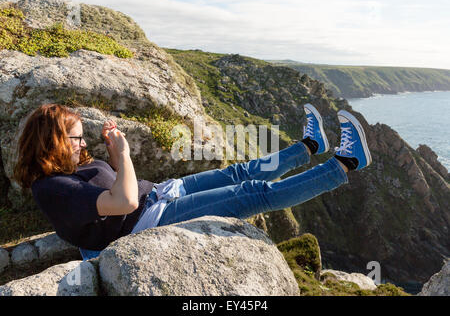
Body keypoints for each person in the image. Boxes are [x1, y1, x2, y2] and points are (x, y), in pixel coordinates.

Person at [13, 103, 372, 260]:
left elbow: (110, 190)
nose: (83, 144)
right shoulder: (52, 188)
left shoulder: (69, 171)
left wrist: (111, 153)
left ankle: (309, 146)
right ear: (55, 143)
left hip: (160, 194)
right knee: (253, 194)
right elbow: (123, 203)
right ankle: (345, 163)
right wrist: (123, 155)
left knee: (239, 172)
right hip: (149, 220)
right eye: (76, 139)